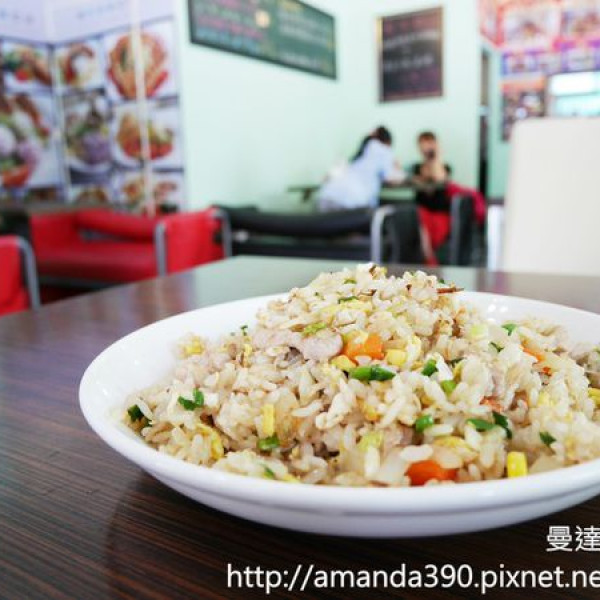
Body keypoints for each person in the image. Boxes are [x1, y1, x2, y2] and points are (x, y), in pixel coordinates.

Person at [317, 126, 405, 212]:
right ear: (387, 142)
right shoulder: (384, 150)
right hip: (351, 201)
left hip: (327, 196)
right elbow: (392, 179)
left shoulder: (360, 154)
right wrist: (398, 169)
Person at [412, 131, 452, 212]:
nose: (425, 146)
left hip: (440, 211)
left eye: (429, 142)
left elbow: (439, 179)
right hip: (420, 210)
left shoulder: (445, 167)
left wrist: (436, 155)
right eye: (422, 143)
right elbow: (423, 187)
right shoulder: (416, 167)